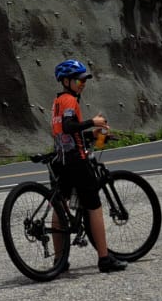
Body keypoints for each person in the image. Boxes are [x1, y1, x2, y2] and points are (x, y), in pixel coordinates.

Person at [50, 59, 126, 274]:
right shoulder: (69, 101)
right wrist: (94, 122)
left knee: (60, 207)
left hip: (61, 159)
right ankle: (104, 259)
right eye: (79, 80)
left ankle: (60, 261)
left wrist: (91, 134)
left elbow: (67, 132)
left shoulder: (57, 103)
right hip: (76, 160)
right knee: (94, 205)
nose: (83, 83)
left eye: (84, 80)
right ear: (66, 81)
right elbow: (69, 126)